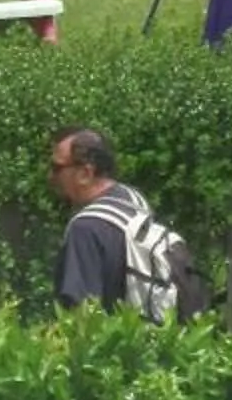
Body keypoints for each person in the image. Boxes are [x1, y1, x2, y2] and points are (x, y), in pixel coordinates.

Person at [47, 128, 200, 320]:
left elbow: (81, 314)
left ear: (85, 173)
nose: (51, 177)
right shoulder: (133, 200)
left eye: (57, 168)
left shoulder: (85, 229)